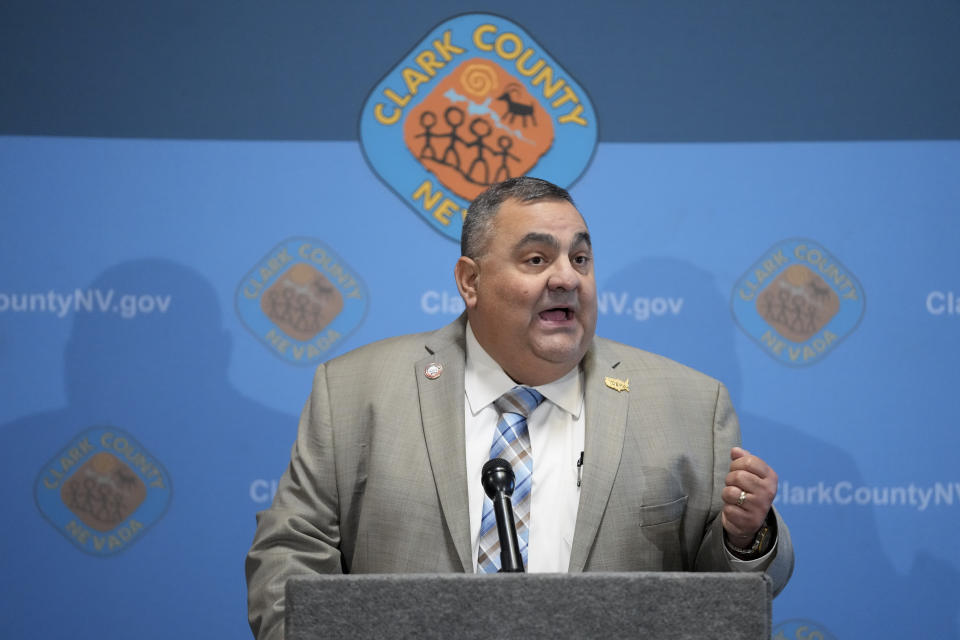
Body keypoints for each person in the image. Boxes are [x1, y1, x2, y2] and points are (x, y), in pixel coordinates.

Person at [245, 177, 794, 640]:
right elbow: (290, 552)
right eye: (536, 258)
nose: (566, 277)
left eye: (580, 258)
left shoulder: (689, 404)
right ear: (470, 281)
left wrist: (745, 538)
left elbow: (726, 594)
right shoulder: (354, 391)